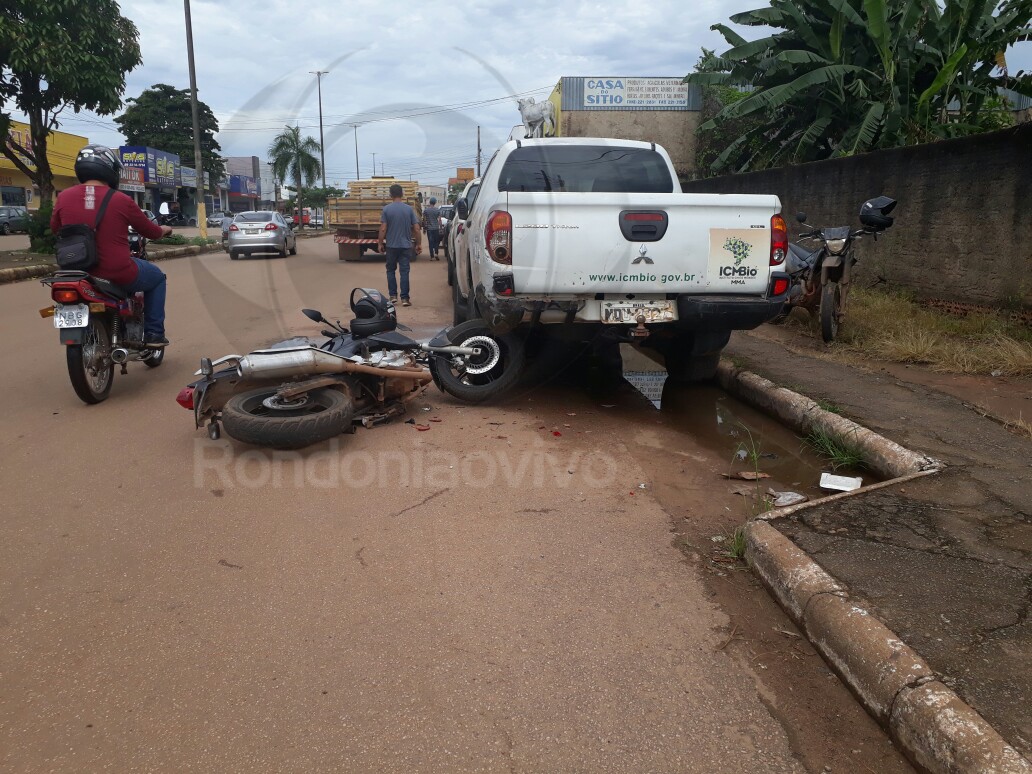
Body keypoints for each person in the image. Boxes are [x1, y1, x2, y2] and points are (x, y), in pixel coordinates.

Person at [51, 145, 172, 347]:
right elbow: (151, 232)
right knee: (158, 278)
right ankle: (154, 334)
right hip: (116, 271)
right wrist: (165, 230)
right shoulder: (121, 200)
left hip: (75, 270)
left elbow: (56, 229)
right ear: (110, 170)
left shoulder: (63, 197)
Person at [377, 184, 421, 306]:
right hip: (406, 246)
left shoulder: (386, 210)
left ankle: (393, 296)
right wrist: (418, 244)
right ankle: (405, 299)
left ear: (390, 195)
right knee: (404, 271)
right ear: (402, 194)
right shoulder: (409, 209)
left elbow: (383, 229)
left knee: (390, 270)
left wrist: (380, 243)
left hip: (391, 246)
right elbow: (417, 229)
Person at [422, 196, 442, 261]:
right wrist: (441, 228)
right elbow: (439, 220)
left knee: (430, 242)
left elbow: (424, 220)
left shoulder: (426, 210)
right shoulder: (437, 210)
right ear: (435, 203)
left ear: (430, 202)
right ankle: (436, 253)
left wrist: (424, 228)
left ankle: (432, 256)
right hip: (436, 228)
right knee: (436, 242)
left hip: (429, 229)